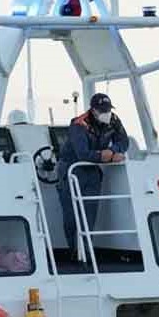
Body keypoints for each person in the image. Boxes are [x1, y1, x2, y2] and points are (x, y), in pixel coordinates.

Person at [56, 93, 130, 261]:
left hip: (92, 172)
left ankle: (87, 252)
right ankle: (74, 251)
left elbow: (124, 141)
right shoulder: (79, 124)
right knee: (71, 215)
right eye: (103, 110)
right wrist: (102, 156)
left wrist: (114, 151)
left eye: (108, 110)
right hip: (71, 170)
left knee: (89, 213)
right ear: (94, 111)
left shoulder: (113, 121)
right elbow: (82, 153)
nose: (107, 113)